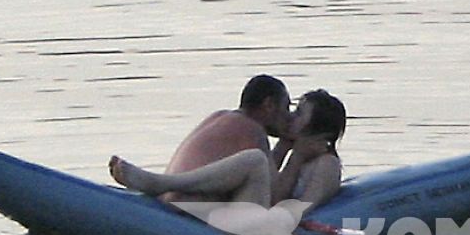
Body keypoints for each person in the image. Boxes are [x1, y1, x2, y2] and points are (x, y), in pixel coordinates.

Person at [109, 89, 347, 217]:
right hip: (249, 217)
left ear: (317, 129)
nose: (289, 118)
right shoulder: (299, 155)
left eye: (298, 114)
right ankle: (162, 185)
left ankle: (161, 183)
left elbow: (292, 210)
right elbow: (271, 183)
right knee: (255, 161)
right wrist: (285, 147)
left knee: (254, 160)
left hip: (262, 228)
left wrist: (293, 157)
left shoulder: (326, 164)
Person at [162, 74, 292, 176]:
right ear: (269, 104)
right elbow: (273, 194)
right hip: (186, 204)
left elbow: (266, 174)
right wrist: (298, 154)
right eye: (286, 107)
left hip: (171, 197)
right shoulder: (251, 130)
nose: (289, 116)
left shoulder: (221, 117)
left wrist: (285, 143)